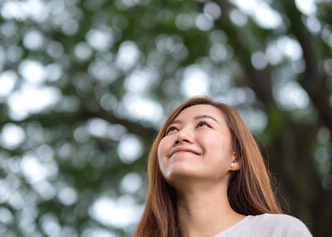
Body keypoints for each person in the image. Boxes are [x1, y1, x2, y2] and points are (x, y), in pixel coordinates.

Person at [133, 97, 312, 237]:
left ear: (235, 157)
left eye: (203, 124)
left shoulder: (279, 232)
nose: (181, 135)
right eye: (172, 129)